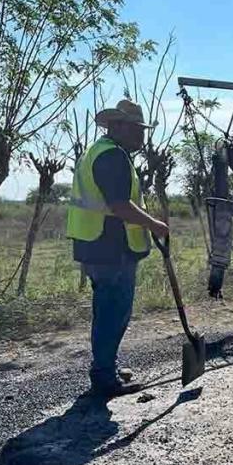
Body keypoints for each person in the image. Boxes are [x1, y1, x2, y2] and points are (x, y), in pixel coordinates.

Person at [67, 100, 169, 398]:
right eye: (136, 129)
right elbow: (120, 206)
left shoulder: (100, 152)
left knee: (106, 311)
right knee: (113, 312)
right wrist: (155, 225)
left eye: (142, 129)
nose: (141, 136)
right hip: (110, 247)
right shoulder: (112, 157)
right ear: (117, 126)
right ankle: (103, 378)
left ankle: (105, 368)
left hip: (96, 245)